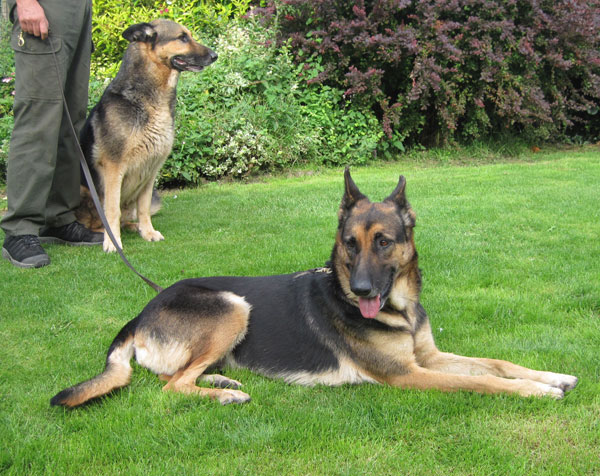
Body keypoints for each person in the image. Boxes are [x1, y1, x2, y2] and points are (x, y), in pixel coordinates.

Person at [1, 0, 102, 268]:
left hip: (77, 11)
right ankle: (20, 228)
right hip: (45, 6)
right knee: (38, 122)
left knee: (71, 121)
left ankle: (57, 218)